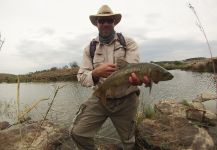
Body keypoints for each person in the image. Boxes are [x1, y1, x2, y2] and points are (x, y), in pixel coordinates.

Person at [69, 4, 150, 150]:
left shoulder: (128, 43)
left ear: (114, 23)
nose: (105, 24)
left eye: (109, 20)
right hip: (100, 98)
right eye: (101, 21)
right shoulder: (90, 48)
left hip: (127, 100)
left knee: (129, 142)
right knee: (77, 133)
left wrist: (136, 78)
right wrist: (95, 73)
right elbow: (81, 76)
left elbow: (133, 68)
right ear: (97, 24)